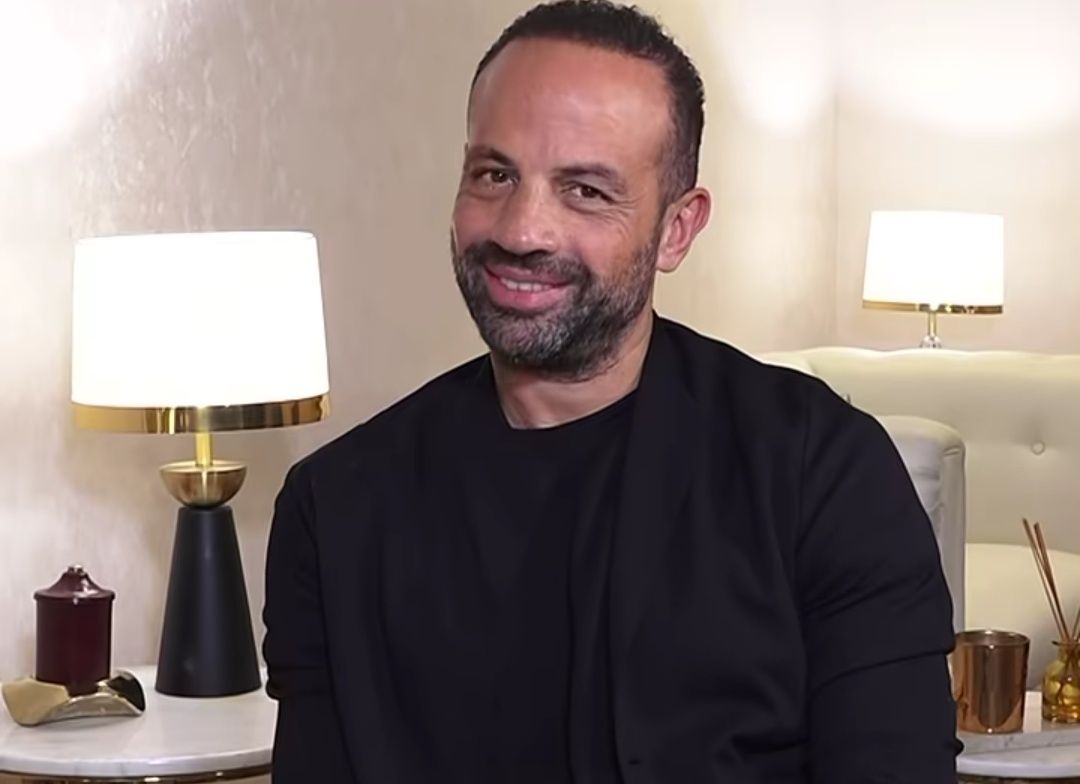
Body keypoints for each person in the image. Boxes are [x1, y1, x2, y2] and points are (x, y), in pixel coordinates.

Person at [262, 1, 958, 781]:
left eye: (586, 191)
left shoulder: (818, 472)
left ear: (677, 229)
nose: (522, 229)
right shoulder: (337, 508)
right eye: (495, 175)